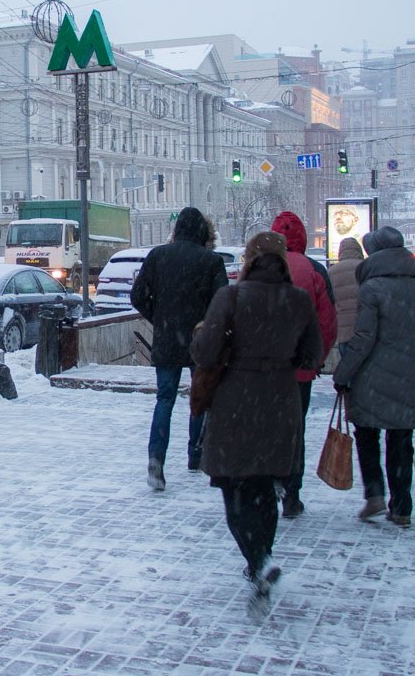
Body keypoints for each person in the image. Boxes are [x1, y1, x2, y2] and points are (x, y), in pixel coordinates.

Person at [191, 232, 321, 605]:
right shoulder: (298, 300)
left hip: (236, 401)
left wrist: (200, 334)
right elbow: (312, 355)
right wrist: (281, 362)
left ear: (249, 259)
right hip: (281, 401)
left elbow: (206, 352)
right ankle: (261, 559)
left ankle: (258, 560)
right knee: (264, 488)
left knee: (235, 489)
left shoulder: (230, 297)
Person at [334, 227, 415, 528]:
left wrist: (344, 373)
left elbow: (364, 337)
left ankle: (375, 494)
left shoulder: (373, 289)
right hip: (413, 376)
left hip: (374, 376)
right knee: (401, 439)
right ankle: (402, 506)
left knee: (367, 434)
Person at [131, 207, 228, 491]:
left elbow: (138, 295)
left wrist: (159, 318)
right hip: (201, 341)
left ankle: (156, 460)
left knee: (165, 400)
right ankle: (195, 455)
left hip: (167, 338)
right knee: (200, 397)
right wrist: (207, 327)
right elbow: (222, 304)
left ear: (177, 230)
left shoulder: (158, 256)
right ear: (202, 232)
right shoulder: (211, 262)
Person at [270, 212, 337, 518]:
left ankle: (268, 485)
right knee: (295, 429)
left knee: (266, 427)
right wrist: (315, 359)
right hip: (300, 370)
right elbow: (327, 323)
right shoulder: (314, 270)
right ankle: (292, 494)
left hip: (264, 370)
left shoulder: (260, 268)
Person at [327, 238, 365, 355]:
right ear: (359, 250)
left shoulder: (332, 271)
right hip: (364, 326)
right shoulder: (366, 268)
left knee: (347, 364)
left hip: (343, 329)